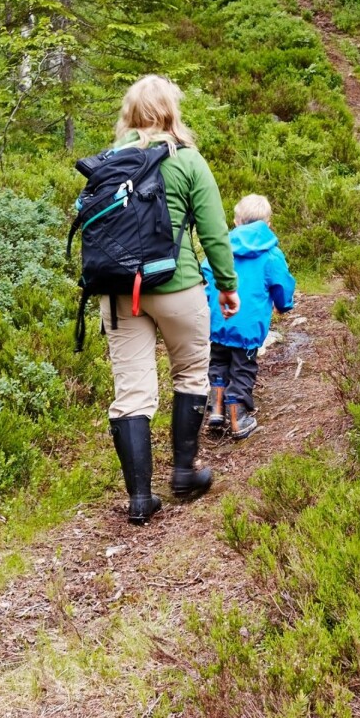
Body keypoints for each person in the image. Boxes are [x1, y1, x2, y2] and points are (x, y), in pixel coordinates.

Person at [101, 76, 239, 525]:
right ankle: (183, 472)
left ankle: (140, 498)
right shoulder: (188, 161)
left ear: (130, 113)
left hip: (121, 291)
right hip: (177, 285)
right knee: (192, 373)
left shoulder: (110, 162)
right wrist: (227, 284)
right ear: (171, 111)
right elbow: (215, 232)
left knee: (132, 393)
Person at [202, 194, 296, 440]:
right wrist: (284, 305)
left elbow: (205, 271)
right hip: (248, 326)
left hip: (219, 319)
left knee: (218, 362)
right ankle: (238, 418)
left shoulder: (221, 247)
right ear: (269, 222)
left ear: (236, 220)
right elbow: (282, 284)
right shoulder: (271, 254)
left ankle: (216, 409)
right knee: (243, 370)